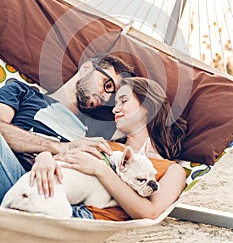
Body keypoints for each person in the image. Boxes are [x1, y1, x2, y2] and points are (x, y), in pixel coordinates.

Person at [29, 77, 187, 220]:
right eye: (115, 103)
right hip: (39, 187)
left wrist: (101, 169)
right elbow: (64, 158)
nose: (114, 109)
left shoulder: (172, 170)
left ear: (148, 105)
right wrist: (44, 157)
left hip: (82, 216)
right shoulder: (101, 143)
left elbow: (150, 213)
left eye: (123, 101)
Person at [0, 53, 134, 201]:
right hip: (8, 167)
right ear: (87, 68)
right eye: (107, 85)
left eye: (112, 98)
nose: (106, 97)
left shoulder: (94, 134)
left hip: (43, 192)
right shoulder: (22, 92)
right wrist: (61, 147)